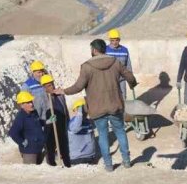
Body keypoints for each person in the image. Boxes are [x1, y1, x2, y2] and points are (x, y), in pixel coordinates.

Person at [56, 39, 137, 172]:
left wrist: (63, 91)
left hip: (97, 107)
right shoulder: (115, 62)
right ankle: (127, 161)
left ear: (93, 50)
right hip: (115, 105)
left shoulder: (86, 66)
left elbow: (78, 87)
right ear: (104, 49)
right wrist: (132, 84)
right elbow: (129, 75)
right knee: (121, 132)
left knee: (103, 135)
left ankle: (109, 165)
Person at [40, 74, 71, 168]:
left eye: (52, 84)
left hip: (61, 124)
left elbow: (65, 108)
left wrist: (68, 120)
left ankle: (67, 164)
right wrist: (47, 122)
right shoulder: (42, 98)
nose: (52, 86)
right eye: (49, 85)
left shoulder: (60, 95)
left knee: (64, 145)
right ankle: (51, 165)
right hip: (49, 127)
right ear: (44, 87)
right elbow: (39, 114)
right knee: (50, 146)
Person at [8, 91, 46, 164]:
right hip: (29, 152)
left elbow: (39, 122)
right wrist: (22, 142)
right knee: (31, 172)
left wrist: (48, 121)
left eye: (31, 101)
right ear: (22, 105)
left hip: (39, 148)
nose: (31, 104)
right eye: (28, 103)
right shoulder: (21, 117)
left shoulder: (34, 113)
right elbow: (13, 133)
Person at [67, 98, 97, 165]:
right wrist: (80, 112)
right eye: (82, 110)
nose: (84, 112)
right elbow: (76, 128)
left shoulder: (89, 122)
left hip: (90, 156)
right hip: (77, 158)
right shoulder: (72, 123)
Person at [105, 28, 133, 99]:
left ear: (119, 40)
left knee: (122, 98)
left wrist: (131, 79)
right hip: (109, 80)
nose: (114, 42)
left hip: (121, 79)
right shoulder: (105, 50)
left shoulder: (124, 50)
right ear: (109, 40)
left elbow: (128, 65)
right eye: (112, 40)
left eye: (116, 40)